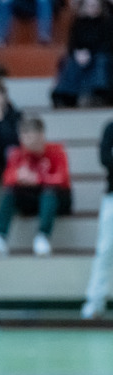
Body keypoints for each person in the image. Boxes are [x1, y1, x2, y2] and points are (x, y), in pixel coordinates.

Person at [0, 117, 71, 258]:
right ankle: (0, 237)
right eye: (23, 136)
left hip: (57, 200)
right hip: (32, 199)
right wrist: (18, 177)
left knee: (49, 191)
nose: (25, 141)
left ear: (41, 135)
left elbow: (62, 179)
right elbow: (7, 178)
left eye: (29, 136)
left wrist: (37, 179)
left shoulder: (56, 150)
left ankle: (43, 236)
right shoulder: (18, 153)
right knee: (10, 192)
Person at [51, 0, 113, 108]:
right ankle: (66, 94)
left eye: (95, 6)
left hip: (100, 54)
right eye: (90, 6)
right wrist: (78, 52)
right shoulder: (78, 23)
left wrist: (90, 53)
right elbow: (72, 43)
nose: (93, 8)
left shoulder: (107, 23)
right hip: (81, 54)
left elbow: (107, 44)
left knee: (101, 61)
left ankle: (98, 93)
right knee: (70, 61)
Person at [82, 120, 113, 319]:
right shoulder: (111, 128)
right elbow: (105, 158)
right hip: (112, 197)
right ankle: (95, 302)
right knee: (105, 249)